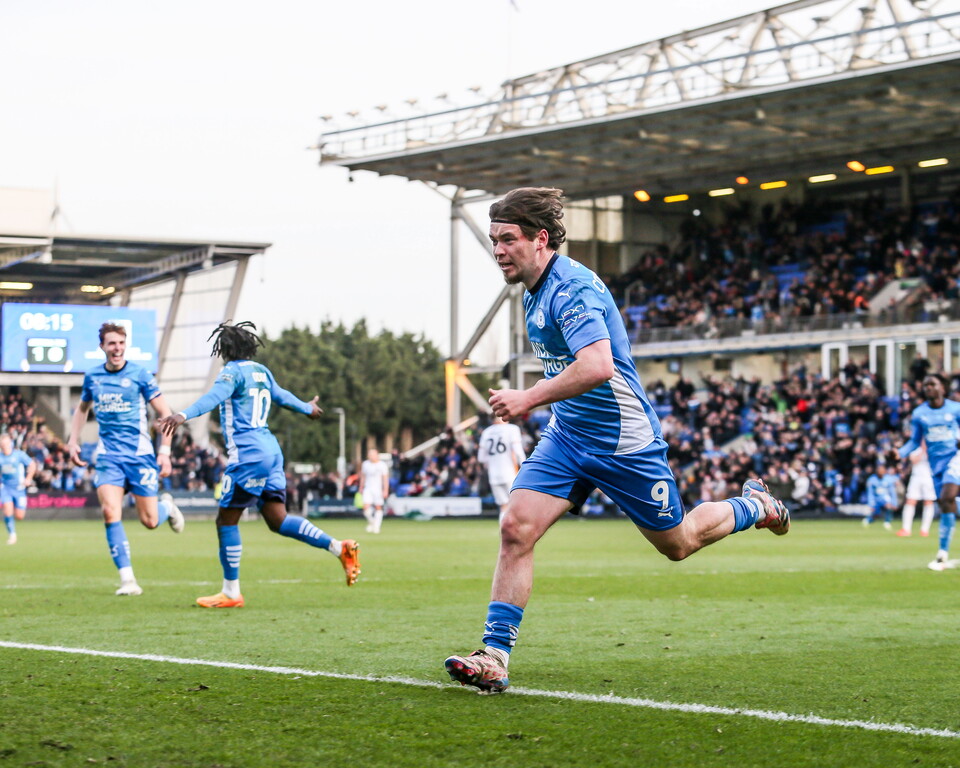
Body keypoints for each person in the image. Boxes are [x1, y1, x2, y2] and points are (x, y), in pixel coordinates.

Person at [443, 188, 789, 694]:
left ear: (540, 240)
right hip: (568, 436)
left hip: (623, 441)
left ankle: (754, 506)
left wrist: (528, 398)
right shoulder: (534, 290)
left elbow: (598, 366)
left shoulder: (572, 288)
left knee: (679, 543)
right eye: (494, 240)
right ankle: (494, 654)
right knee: (516, 528)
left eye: (508, 239)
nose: (498, 250)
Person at [157, 321, 360, 607]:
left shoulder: (231, 372)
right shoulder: (262, 372)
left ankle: (231, 592)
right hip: (271, 452)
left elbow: (213, 398)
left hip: (249, 455)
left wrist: (181, 415)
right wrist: (307, 408)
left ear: (224, 350)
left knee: (226, 520)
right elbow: (282, 396)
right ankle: (339, 547)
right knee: (277, 519)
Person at [67, 322, 185, 596]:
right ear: (102, 347)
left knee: (150, 521)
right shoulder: (93, 377)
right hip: (109, 457)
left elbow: (166, 414)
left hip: (140, 456)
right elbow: (82, 410)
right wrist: (73, 440)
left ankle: (167, 507)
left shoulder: (141, 375)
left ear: (125, 345)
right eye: (111, 343)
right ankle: (128, 580)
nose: (116, 348)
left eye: (120, 343)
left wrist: (165, 452)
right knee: (110, 511)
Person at [897, 373, 960, 570]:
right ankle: (943, 553)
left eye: (932, 384)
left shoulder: (955, 409)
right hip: (936, 463)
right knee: (945, 502)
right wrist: (899, 453)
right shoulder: (919, 413)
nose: (928, 388)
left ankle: (941, 555)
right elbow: (915, 441)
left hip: (956, 458)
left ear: (943, 387)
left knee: (947, 496)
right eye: (925, 385)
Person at [477, 415, 526, 521]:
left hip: (494, 475)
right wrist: (525, 467)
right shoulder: (512, 429)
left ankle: (504, 534)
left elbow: (481, 458)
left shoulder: (486, 432)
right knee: (515, 505)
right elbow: (518, 452)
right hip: (510, 473)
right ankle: (517, 534)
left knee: (503, 507)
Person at [0, 433, 37, 544]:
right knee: (8, 511)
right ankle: (12, 535)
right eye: (2, 444)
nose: (4, 446)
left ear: (10, 444)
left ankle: (12, 529)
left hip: (19, 488)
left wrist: (28, 478)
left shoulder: (19, 455)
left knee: (20, 516)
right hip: (5, 487)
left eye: (6, 444)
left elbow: (32, 464)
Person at [898, 444, 936, 537]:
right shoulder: (914, 447)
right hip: (916, 477)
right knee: (910, 501)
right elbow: (914, 460)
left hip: (929, 477)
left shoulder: (934, 447)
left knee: (928, 502)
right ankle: (906, 529)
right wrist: (923, 450)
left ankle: (925, 530)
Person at [359, 448, 389, 534]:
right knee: (366, 508)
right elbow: (363, 476)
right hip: (368, 488)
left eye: (372, 454)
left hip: (378, 489)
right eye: (369, 454)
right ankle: (372, 522)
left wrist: (385, 490)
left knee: (378, 507)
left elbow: (385, 478)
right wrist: (361, 487)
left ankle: (377, 526)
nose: (370, 456)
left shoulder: (382, 465)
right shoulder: (365, 464)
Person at [863, 463, 899, 530]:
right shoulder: (872, 480)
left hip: (885, 499)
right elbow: (870, 493)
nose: (881, 473)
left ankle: (887, 522)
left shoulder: (889, 479)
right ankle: (868, 520)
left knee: (889, 506)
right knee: (876, 514)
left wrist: (894, 503)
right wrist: (871, 504)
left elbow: (892, 492)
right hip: (876, 500)